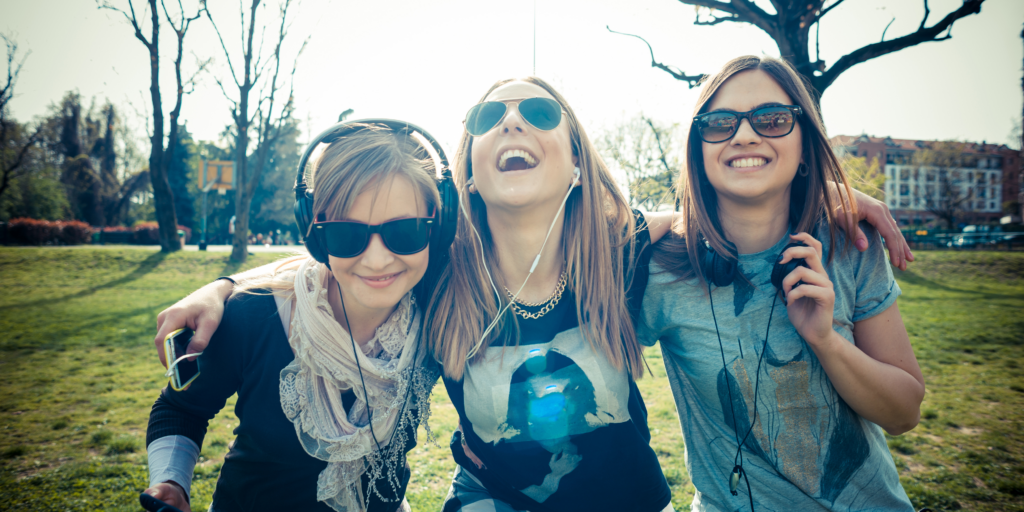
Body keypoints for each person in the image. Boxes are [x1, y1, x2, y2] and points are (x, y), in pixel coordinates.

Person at [152, 78, 914, 512]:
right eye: (492, 118)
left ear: (577, 162)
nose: (513, 120)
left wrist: (835, 201)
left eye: (539, 112)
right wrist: (224, 285)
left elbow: (723, 221)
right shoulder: (432, 268)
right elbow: (351, 247)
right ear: (470, 172)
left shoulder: (629, 254)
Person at [639, 55, 925, 511]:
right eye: (719, 123)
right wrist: (662, 222)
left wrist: (826, 341)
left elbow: (904, 413)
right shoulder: (661, 268)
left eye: (772, 120)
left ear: (805, 143)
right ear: (698, 149)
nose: (745, 135)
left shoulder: (852, 244)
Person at [144, 122, 450, 512]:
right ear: (316, 234)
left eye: (404, 231)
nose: (377, 259)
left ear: (437, 227)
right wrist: (171, 481)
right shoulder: (252, 316)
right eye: (346, 234)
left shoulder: (439, 314)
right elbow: (181, 409)